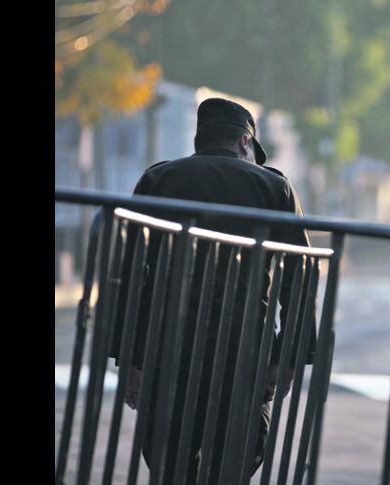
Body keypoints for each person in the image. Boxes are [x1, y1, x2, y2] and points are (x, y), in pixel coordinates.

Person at [109, 97, 314, 483]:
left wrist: (129, 358)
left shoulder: (158, 179)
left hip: (167, 349)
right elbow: (299, 277)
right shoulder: (274, 187)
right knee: (236, 460)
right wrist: (288, 356)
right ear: (244, 141)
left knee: (168, 464)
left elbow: (131, 274)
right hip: (244, 353)